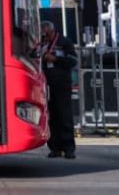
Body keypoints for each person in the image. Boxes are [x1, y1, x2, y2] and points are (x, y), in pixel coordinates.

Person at [35, 21, 77, 159]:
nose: (44, 34)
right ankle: (55, 147)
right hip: (47, 84)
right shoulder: (41, 43)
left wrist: (56, 59)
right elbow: (32, 54)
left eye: (45, 31)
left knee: (65, 115)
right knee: (52, 116)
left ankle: (69, 148)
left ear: (51, 30)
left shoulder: (64, 42)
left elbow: (73, 60)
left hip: (62, 83)